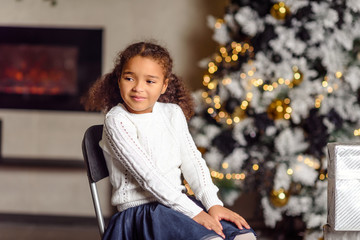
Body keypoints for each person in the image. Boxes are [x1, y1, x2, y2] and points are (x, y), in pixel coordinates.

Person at [82, 41, 256, 240]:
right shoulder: (117, 120)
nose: (138, 88)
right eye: (129, 78)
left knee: (244, 237)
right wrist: (194, 213)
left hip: (176, 206)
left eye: (150, 81)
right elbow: (149, 177)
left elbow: (192, 160)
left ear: (164, 85)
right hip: (141, 216)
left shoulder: (172, 113)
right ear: (119, 80)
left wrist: (212, 203)